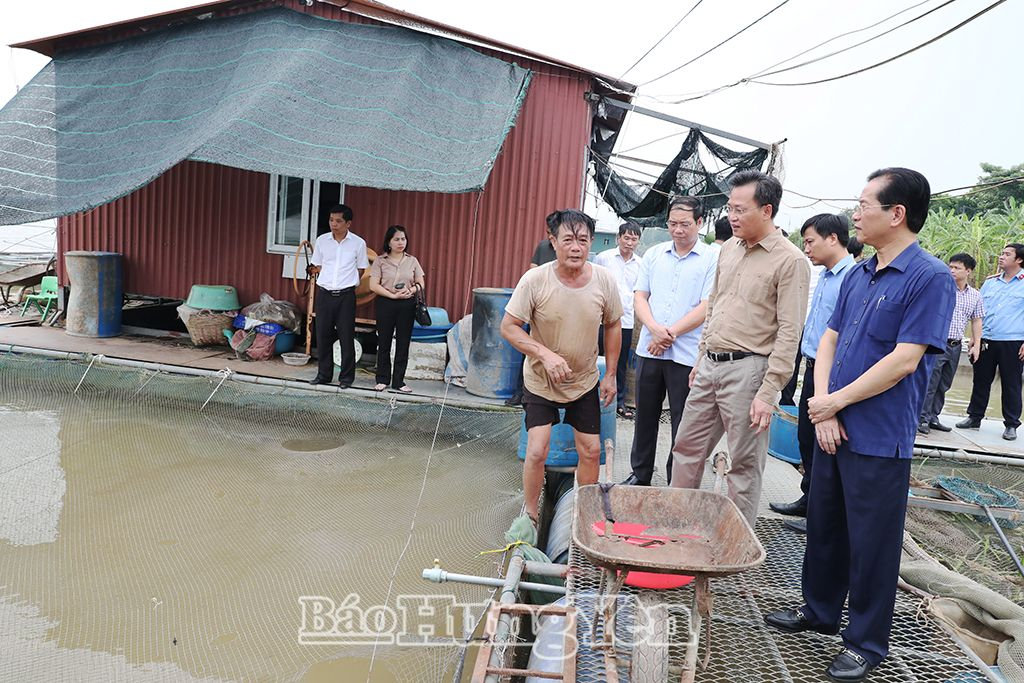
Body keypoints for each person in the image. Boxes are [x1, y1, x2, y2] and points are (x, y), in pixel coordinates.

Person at [764, 168, 955, 683]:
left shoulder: (929, 277)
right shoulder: (859, 274)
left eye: (864, 203)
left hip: (877, 434)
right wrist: (823, 403)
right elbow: (828, 339)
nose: (855, 211)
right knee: (824, 525)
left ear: (897, 214)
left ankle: (866, 642)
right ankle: (820, 611)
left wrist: (832, 405)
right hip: (834, 422)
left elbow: (905, 360)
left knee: (873, 542)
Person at [669, 170, 809, 526]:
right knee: (686, 448)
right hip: (710, 365)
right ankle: (673, 525)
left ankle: (735, 542)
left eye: (740, 209)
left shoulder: (790, 260)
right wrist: (701, 356)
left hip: (750, 372)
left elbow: (790, 332)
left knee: (744, 464)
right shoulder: (729, 248)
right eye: (729, 208)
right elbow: (714, 304)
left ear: (767, 210)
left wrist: (769, 390)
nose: (731, 216)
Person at [501, 209, 622, 524]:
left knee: (592, 450)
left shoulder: (604, 280)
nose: (576, 248)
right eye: (568, 240)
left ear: (591, 242)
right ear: (552, 241)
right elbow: (509, 326)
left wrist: (610, 374)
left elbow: (613, 325)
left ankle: (584, 513)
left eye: (583, 240)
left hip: (583, 381)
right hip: (541, 381)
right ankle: (531, 513)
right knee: (538, 450)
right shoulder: (535, 280)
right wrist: (544, 354)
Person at [769, 214, 855, 534]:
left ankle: (823, 515)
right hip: (812, 366)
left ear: (832, 238)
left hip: (834, 374)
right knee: (807, 435)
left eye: (810, 241)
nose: (806, 248)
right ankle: (810, 500)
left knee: (826, 444)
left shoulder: (852, 277)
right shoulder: (825, 276)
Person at [623, 198, 717, 486]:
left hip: (686, 355)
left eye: (685, 224)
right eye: (672, 224)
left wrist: (669, 334)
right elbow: (641, 296)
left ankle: (676, 480)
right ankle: (640, 475)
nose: (677, 230)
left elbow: (707, 305)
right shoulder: (653, 254)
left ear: (700, 224)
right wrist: (654, 329)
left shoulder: (713, 257)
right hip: (650, 349)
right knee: (645, 417)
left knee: (683, 422)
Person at [956, 243, 1024, 440]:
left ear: (1019, 259)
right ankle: (974, 417)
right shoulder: (991, 282)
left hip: (1012, 341)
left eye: (1006, 254)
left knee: (1011, 383)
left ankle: (1011, 424)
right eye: (1002, 253)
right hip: (986, 339)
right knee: (980, 380)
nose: (1001, 257)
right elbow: (978, 313)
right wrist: (975, 339)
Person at [918, 253, 983, 434]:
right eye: (951, 267)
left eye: (957, 268)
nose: (952, 270)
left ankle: (933, 417)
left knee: (944, 383)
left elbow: (976, 320)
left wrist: (976, 344)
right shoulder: (941, 289)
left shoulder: (975, 296)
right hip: (937, 343)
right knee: (930, 382)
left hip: (956, 345)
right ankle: (921, 419)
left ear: (968, 271)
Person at [308, 204, 369, 388]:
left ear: (348, 223)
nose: (334, 224)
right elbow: (316, 265)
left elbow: (361, 268)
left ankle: (346, 378)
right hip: (325, 294)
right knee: (323, 335)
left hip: (346, 296)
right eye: (331, 220)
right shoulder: (322, 241)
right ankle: (323, 375)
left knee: (346, 336)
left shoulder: (358, 243)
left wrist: (348, 283)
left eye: (338, 221)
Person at [368, 225, 426, 393]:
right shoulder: (380, 260)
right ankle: (382, 379)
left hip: (407, 305)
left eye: (403, 239)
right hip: (386, 303)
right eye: (396, 239)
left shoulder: (412, 260)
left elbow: (421, 283)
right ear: (389, 242)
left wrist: (411, 290)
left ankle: (399, 381)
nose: (401, 242)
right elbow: (373, 285)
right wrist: (392, 295)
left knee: (403, 343)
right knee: (384, 341)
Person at [594, 222, 642, 419]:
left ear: (638, 241)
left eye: (634, 239)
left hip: (626, 320)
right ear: (618, 238)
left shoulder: (641, 264)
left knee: (619, 363)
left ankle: (618, 403)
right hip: (600, 319)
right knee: (594, 357)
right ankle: (591, 399)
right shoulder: (603, 258)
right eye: (626, 238)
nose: (629, 243)